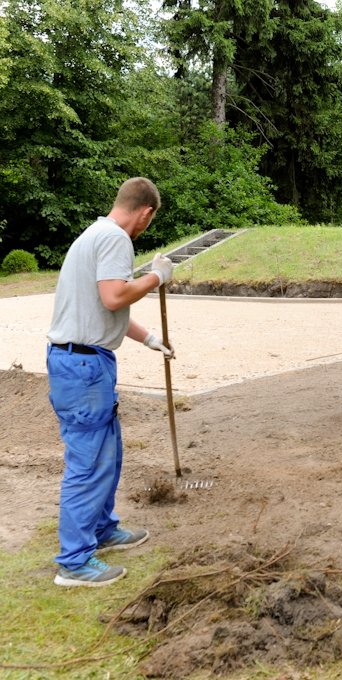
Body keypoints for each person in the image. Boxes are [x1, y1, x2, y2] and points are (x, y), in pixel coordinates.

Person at [46, 177, 175, 587]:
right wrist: (156, 278)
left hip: (80, 362)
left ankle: (101, 530)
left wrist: (150, 339)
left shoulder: (94, 235)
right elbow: (114, 297)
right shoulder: (116, 239)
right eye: (149, 222)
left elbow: (104, 310)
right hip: (83, 368)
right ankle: (74, 561)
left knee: (107, 454)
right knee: (88, 463)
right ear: (146, 212)